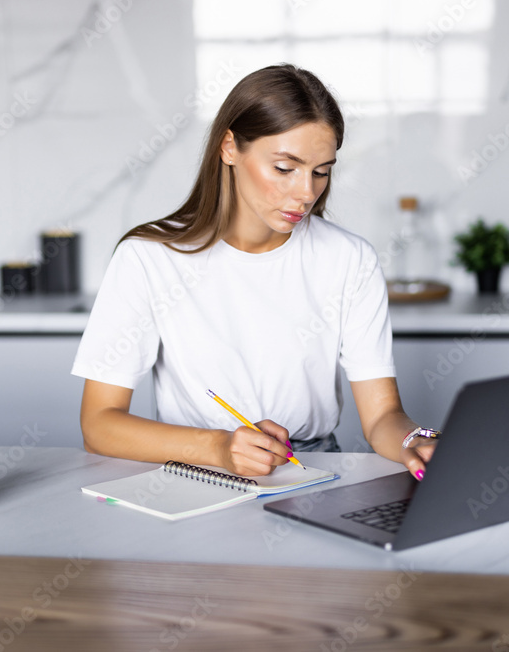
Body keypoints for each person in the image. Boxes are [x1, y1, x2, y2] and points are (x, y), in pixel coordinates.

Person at [71, 64, 436, 478]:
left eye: (321, 172)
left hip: (310, 468)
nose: (306, 193)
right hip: (195, 470)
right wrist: (220, 448)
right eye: (284, 168)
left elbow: (382, 418)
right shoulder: (149, 258)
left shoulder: (349, 259)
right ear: (229, 147)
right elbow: (98, 424)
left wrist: (416, 441)